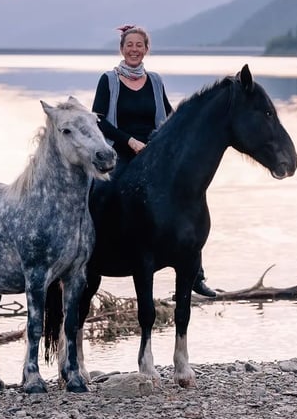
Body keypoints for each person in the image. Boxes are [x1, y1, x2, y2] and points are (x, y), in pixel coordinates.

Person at [92, 24, 216, 298]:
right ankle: (93, 251)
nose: (134, 50)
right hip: (120, 152)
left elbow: (170, 117)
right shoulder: (108, 80)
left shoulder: (156, 80)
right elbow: (98, 120)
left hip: (155, 154)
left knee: (188, 196)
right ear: (122, 49)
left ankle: (196, 273)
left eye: (139, 45)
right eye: (129, 45)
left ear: (147, 49)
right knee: (104, 191)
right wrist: (130, 142)